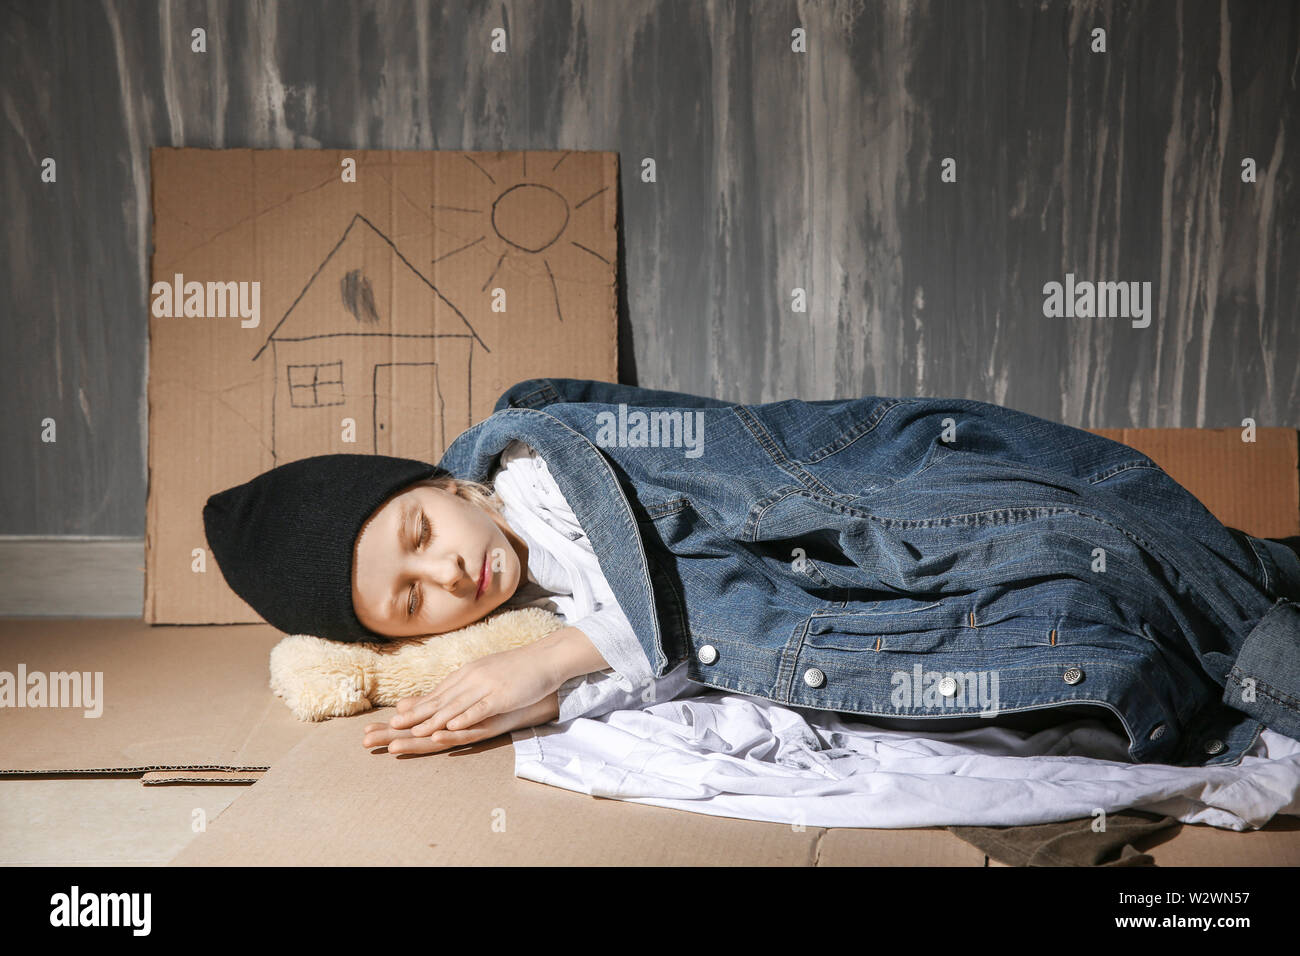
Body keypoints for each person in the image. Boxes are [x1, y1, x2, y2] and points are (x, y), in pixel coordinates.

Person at [202, 377, 1300, 767]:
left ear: (437, 481)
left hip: (872, 490)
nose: (447, 571)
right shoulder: (514, 588)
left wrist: (562, 656)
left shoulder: (545, 457)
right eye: (410, 601)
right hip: (831, 577)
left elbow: (725, 546)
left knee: (1067, 551)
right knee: (1064, 657)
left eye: (418, 530)